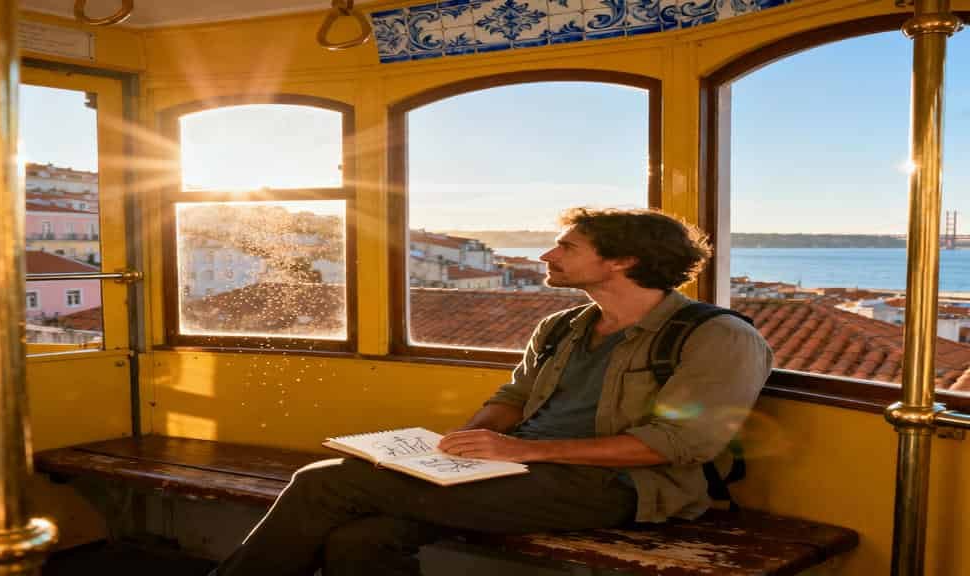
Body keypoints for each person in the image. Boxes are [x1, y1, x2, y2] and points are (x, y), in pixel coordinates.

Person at [210, 207, 773, 576]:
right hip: (519, 473)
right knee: (363, 540)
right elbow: (515, 396)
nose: (546, 256)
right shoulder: (563, 327)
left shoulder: (715, 336)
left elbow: (681, 443)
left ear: (623, 261)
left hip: (621, 489)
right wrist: (470, 438)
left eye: (566, 247)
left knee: (323, 483)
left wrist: (525, 451)